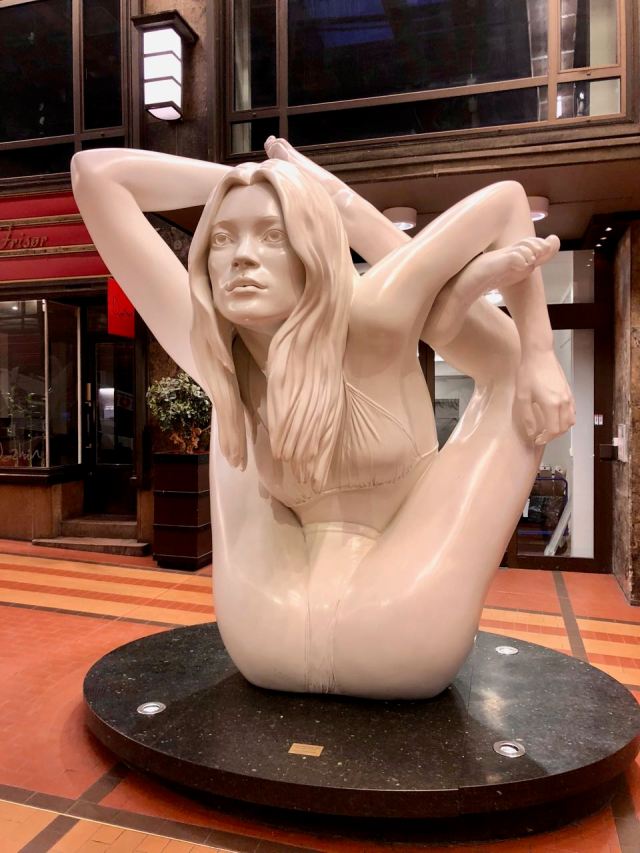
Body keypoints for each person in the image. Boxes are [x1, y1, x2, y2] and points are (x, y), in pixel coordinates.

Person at [71, 139, 574, 699]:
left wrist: (539, 351)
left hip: (353, 613)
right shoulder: (222, 347)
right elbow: (94, 174)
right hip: (320, 624)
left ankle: (456, 307)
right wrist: (263, 177)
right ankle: (455, 304)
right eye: (222, 238)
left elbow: (506, 202)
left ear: (312, 244)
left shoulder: (373, 311)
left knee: (518, 375)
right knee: (221, 375)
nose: (240, 257)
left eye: (272, 235)